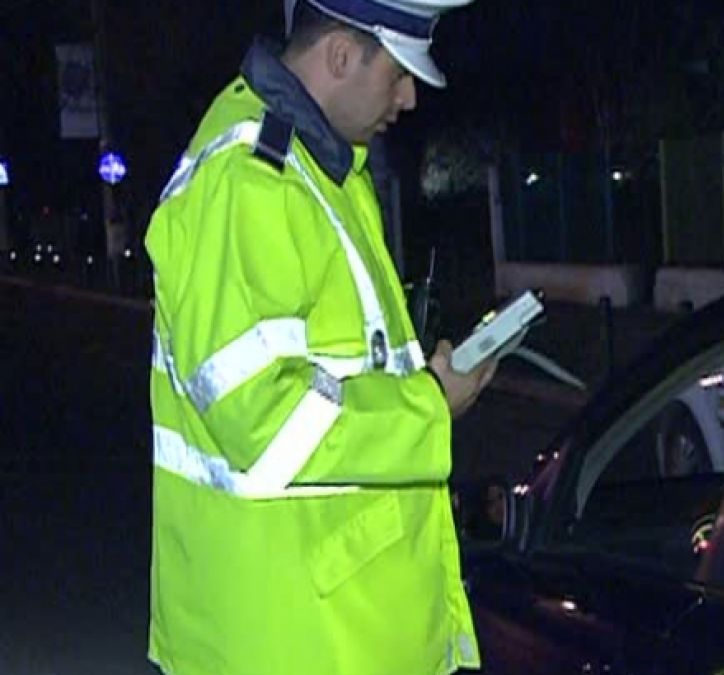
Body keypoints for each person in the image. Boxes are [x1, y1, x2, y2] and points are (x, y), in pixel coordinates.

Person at [143, 1, 494, 673]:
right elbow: (264, 421)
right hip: (288, 643)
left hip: (341, 631)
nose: (408, 97)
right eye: (398, 73)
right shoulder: (250, 183)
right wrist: (429, 403)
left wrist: (425, 384)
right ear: (339, 56)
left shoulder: (325, 170)